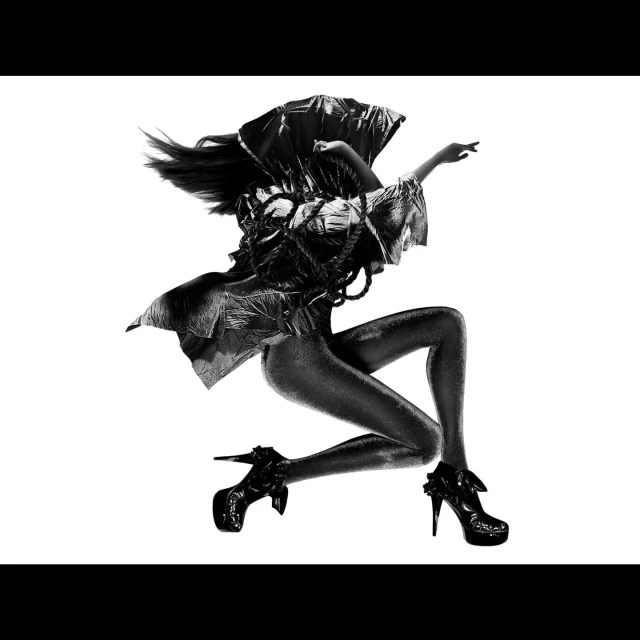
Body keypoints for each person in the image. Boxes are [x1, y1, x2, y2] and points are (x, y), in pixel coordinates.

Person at [127, 95, 509, 546]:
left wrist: (408, 158)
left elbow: (378, 211)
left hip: (322, 348)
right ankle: (275, 474)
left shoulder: (319, 197)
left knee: (446, 323)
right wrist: (382, 166)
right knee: (424, 442)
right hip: (295, 361)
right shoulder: (265, 202)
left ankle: (455, 477)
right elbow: (362, 213)